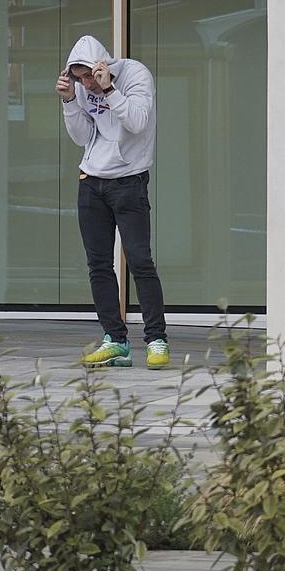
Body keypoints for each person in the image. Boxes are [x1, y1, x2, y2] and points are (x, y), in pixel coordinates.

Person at [60, 36, 167, 370]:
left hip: (130, 181)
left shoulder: (135, 75)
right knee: (98, 264)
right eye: (79, 78)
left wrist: (109, 90)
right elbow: (81, 137)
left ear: (102, 66)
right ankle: (116, 340)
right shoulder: (80, 87)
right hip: (91, 181)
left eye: (89, 76)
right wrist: (69, 102)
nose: (86, 84)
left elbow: (136, 121)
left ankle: (156, 339)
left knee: (140, 261)